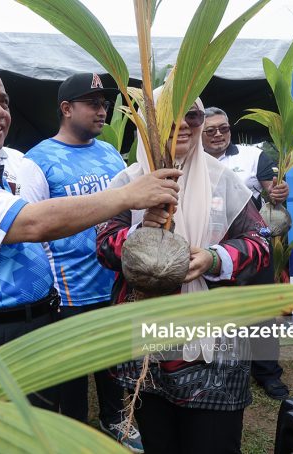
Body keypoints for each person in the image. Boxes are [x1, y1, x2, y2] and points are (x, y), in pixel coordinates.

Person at [0, 64, 182, 401]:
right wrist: (127, 195)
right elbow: (32, 223)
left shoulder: (3, 164)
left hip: (34, 324)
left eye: (4, 102)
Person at [97, 94, 271, 454]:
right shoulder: (128, 182)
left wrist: (213, 258)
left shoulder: (223, 179)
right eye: (168, 115)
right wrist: (140, 233)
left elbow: (259, 243)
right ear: (149, 123)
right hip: (148, 339)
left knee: (214, 443)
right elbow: (104, 246)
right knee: (160, 442)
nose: (183, 124)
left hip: (214, 343)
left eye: (192, 115)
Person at [17, 73, 142, 452]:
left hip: (114, 281)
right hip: (67, 290)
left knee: (115, 365)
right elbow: (30, 227)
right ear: (66, 108)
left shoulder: (107, 152)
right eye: (93, 103)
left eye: (104, 103)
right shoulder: (37, 160)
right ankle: (71, 435)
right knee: (69, 380)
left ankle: (116, 419)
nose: (102, 110)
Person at [202, 106, 290, 400]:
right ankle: (222, 369)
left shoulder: (252, 156)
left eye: (223, 128)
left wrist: (277, 193)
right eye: (210, 130)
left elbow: (271, 191)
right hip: (211, 249)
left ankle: (267, 372)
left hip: (252, 245)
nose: (218, 135)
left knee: (262, 311)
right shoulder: (191, 161)